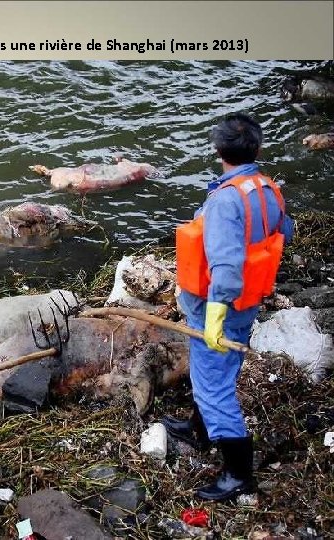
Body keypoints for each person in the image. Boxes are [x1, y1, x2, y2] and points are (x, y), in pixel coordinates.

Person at [168, 113, 294, 501]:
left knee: (214, 389)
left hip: (217, 305)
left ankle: (238, 474)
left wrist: (215, 318)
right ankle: (199, 429)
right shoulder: (267, 189)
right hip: (248, 303)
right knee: (214, 374)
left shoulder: (225, 201)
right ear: (257, 148)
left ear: (218, 150)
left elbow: (225, 269)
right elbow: (283, 231)